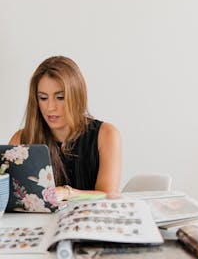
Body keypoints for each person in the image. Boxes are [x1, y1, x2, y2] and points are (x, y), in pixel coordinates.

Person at [9, 56, 122, 202]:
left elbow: (107, 194)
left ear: (76, 96)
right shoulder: (21, 140)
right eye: (43, 98)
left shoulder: (106, 135)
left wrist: (67, 193)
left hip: (91, 222)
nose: (50, 107)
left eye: (60, 97)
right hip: (38, 224)